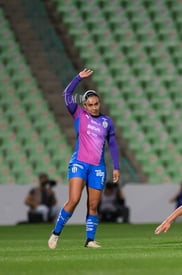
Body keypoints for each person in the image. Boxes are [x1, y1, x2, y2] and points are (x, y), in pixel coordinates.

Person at [48, 68, 120, 249]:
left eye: (97, 103)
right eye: (91, 104)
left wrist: (116, 166)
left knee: (94, 205)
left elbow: (112, 144)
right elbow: (66, 94)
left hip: (98, 166)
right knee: (73, 200)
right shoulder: (79, 114)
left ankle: (89, 240)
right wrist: (78, 78)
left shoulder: (107, 121)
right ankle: (56, 234)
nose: (95, 107)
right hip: (79, 163)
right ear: (85, 106)